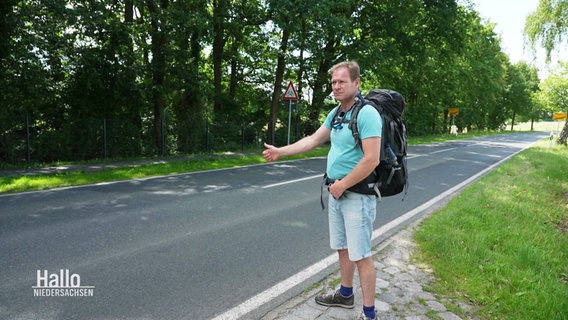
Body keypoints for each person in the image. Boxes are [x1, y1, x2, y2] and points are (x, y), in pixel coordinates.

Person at [262, 61, 381, 320]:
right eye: (333, 83)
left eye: (342, 82)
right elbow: (313, 140)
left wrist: (343, 184)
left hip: (357, 195)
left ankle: (370, 314)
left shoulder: (368, 114)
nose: (336, 87)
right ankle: (345, 294)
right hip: (337, 192)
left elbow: (372, 159)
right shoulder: (336, 113)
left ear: (357, 83)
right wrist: (280, 151)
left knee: (362, 255)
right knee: (342, 247)